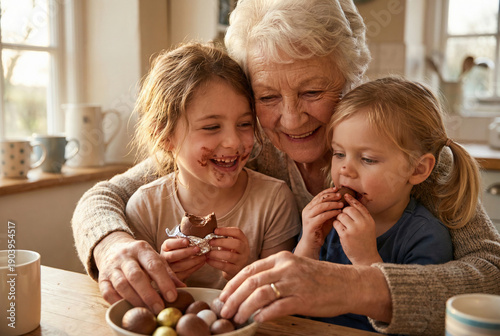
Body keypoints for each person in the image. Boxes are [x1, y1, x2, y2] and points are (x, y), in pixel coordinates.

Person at [71, 0, 500, 334]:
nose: (291, 120)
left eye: (313, 90)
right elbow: (103, 197)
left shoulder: (398, 147)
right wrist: (112, 246)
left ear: (351, 78)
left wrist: (354, 286)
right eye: (268, 97)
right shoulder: (244, 142)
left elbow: (490, 273)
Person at [295, 76, 484, 332]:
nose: (345, 170)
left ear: (417, 170)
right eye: (338, 153)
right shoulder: (331, 220)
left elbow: (418, 323)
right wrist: (309, 241)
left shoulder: (425, 236)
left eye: (368, 159)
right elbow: (297, 292)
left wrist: (366, 258)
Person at [124, 42, 300, 291]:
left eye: (245, 124)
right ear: (164, 135)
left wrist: (244, 270)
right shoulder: (145, 208)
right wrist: (162, 277)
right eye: (211, 127)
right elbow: (137, 301)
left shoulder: (273, 201)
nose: (233, 142)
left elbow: (280, 299)